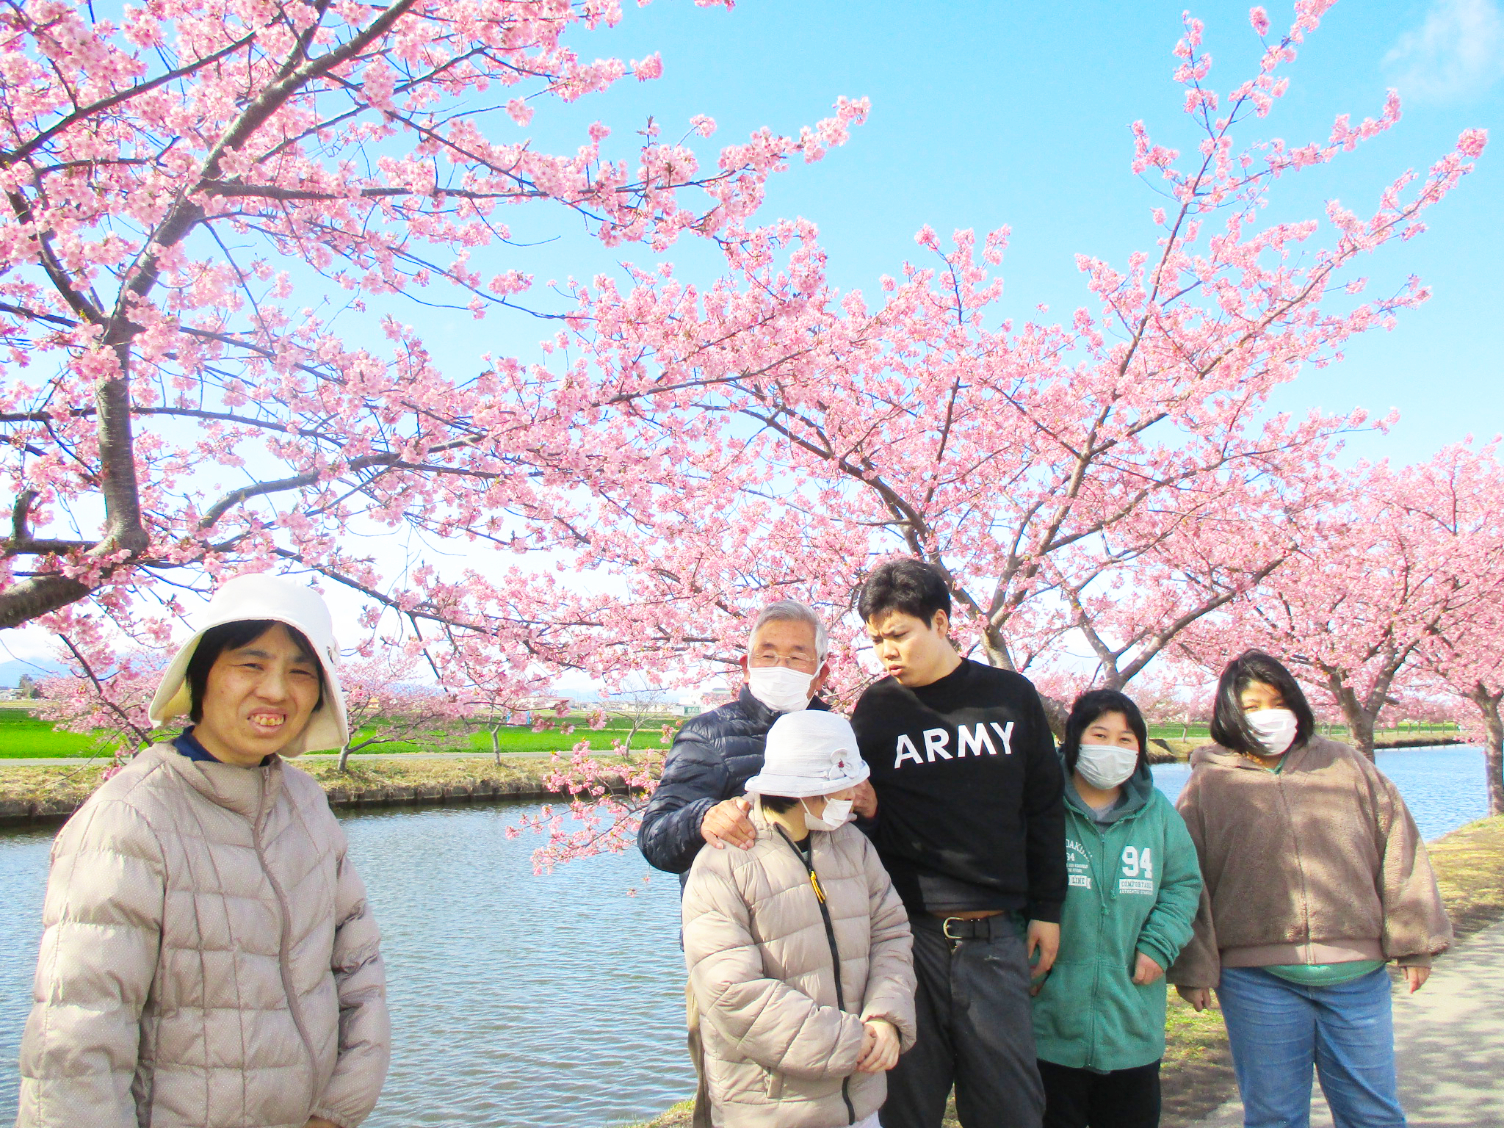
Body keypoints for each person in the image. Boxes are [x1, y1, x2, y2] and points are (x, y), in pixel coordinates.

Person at [17, 574, 389, 1128]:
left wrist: (336, 1112)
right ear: (201, 675)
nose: (276, 692)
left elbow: (358, 971)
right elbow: (78, 1034)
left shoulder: (305, 804)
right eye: (250, 664)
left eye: (301, 672)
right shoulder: (130, 819)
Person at [1168, 649, 1452, 1128]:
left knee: (1374, 1114)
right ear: (1230, 714)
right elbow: (1186, 879)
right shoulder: (1207, 783)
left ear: (1296, 704)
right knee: (1274, 1117)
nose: (1267, 714)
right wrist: (1193, 967)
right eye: (1252, 706)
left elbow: (1398, 847)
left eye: (1277, 701)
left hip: (1357, 975)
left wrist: (1416, 940)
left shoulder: (1346, 765)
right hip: (1256, 980)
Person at [849, 558, 1066, 1128]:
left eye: (899, 635)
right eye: (876, 640)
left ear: (941, 623)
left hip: (995, 938)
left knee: (1010, 1109)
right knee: (905, 1109)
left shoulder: (1009, 696)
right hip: (906, 940)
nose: (887, 652)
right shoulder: (876, 710)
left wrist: (1048, 909)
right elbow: (861, 825)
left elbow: (1045, 808)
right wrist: (870, 811)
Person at [683, 709, 917, 1128]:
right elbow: (731, 991)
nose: (856, 793)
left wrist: (886, 1017)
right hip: (774, 1106)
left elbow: (891, 934)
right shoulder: (723, 865)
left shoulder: (852, 846)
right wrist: (849, 1041)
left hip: (860, 1098)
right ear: (808, 790)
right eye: (845, 785)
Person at [1030, 690, 1202, 1128]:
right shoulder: (1040, 808)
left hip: (1132, 1026)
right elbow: (1011, 883)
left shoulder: (1158, 814)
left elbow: (1182, 884)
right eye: (1100, 734)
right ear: (1074, 739)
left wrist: (1159, 945)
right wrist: (1025, 961)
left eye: (1126, 739)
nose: (1113, 747)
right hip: (1048, 1027)